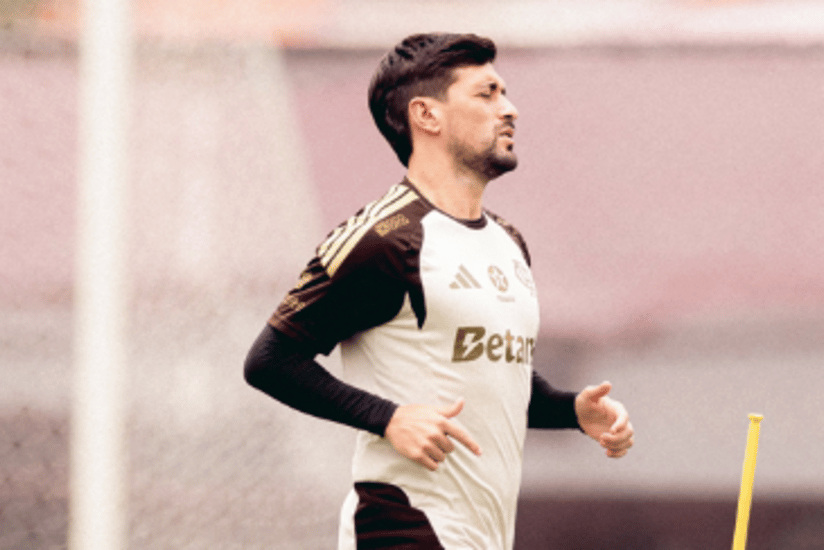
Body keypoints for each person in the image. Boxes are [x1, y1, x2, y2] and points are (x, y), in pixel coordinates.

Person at [244, 32, 635, 550]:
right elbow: (271, 361)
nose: (509, 109)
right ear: (427, 115)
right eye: (487, 93)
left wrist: (570, 410)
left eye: (504, 93)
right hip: (402, 527)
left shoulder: (508, 243)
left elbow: (492, 377)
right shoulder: (383, 239)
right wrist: (388, 418)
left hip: (481, 537)